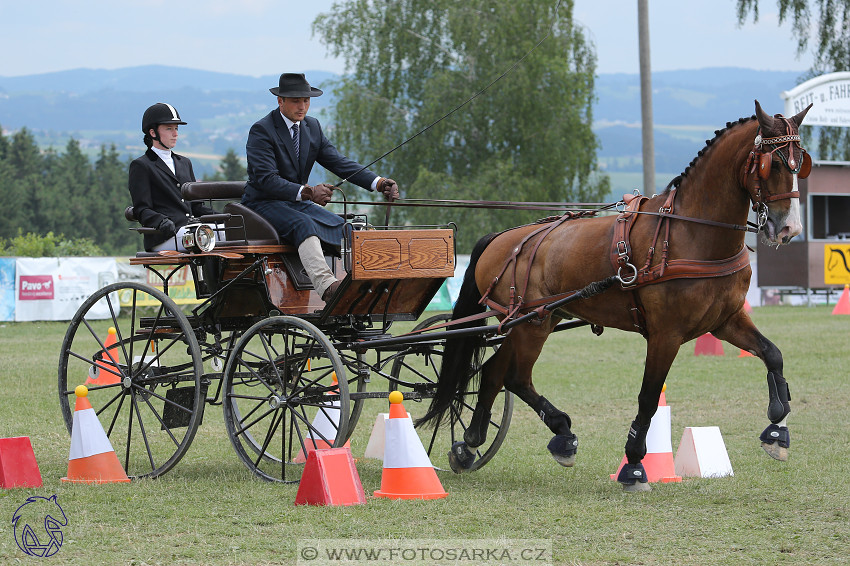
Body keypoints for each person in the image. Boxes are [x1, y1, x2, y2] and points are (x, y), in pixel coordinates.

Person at [242, 72, 400, 301]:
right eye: (296, 101)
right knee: (303, 224)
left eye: (306, 100)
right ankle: (328, 287)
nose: (302, 106)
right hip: (263, 204)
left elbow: (339, 162)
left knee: (345, 228)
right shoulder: (262, 130)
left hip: (296, 203)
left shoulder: (312, 127)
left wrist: (378, 182)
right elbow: (266, 179)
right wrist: (308, 192)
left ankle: (373, 281)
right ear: (280, 101)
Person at [128, 103, 215, 252]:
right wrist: (161, 221)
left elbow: (196, 206)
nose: (175, 134)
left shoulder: (185, 163)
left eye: (176, 129)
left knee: (227, 232)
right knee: (206, 238)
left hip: (191, 230)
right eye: (169, 129)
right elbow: (142, 208)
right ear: (153, 133)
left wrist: (226, 218)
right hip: (164, 235)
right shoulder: (141, 165)